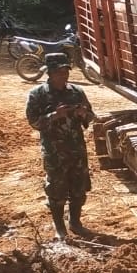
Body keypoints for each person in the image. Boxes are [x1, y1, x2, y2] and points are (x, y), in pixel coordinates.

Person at [24, 53, 94, 240]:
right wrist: (54, 116)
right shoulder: (37, 94)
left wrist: (82, 114)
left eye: (65, 71)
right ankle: (60, 227)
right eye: (58, 72)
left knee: (79, 188)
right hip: (55, 151)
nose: (63, 76)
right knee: (56, 189)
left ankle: (76, 223)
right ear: (49, 73)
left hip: (77, 149)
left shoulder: (77, 91)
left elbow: (90, 116)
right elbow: (33, 122)